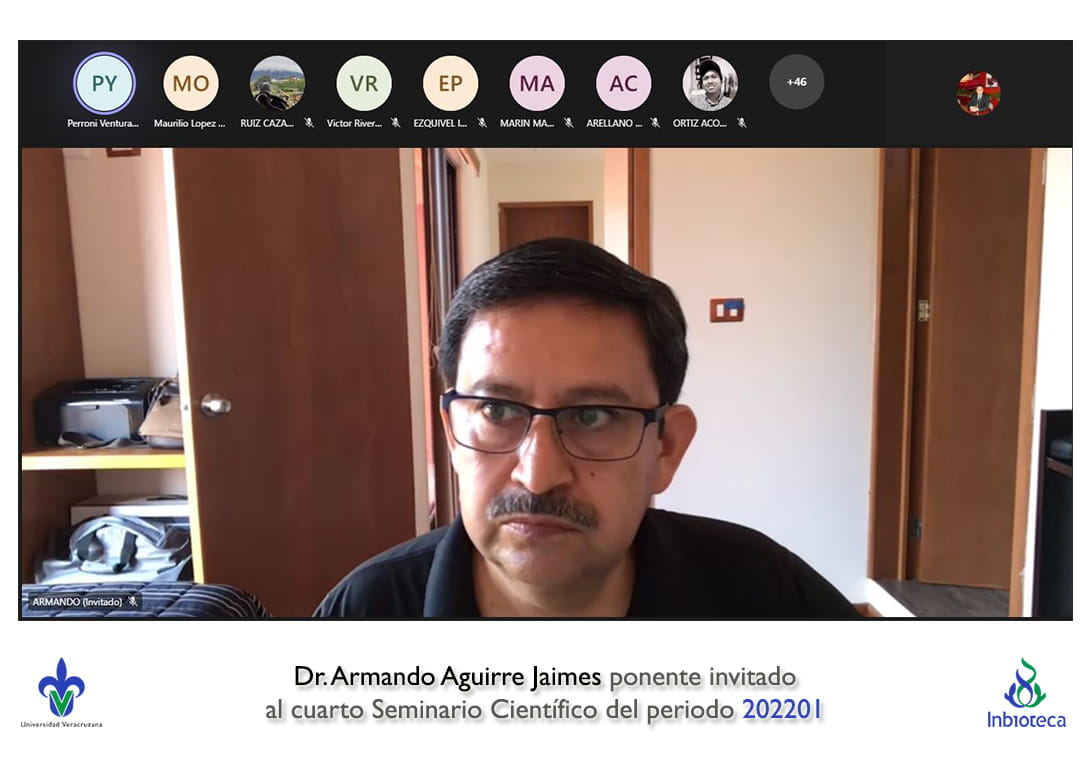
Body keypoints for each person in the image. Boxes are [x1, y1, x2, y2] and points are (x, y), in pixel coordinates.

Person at [315, 238, 860, 618]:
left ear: (666, 448)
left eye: (592, 416)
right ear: (453, 435)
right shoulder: (364, 615)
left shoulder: (764, 597)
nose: (538, 476)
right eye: (497, 411)